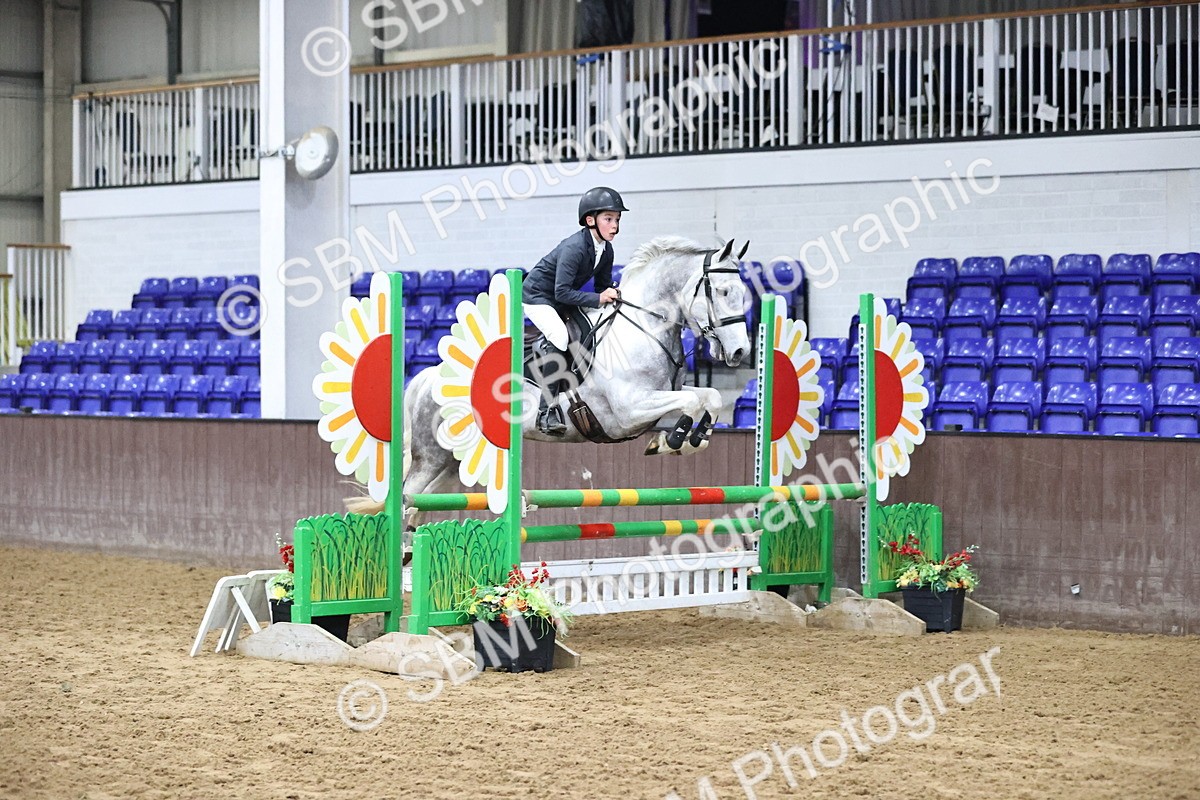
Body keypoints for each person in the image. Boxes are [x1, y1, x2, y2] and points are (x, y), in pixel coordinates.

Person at [522, 186, 628, 436]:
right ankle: (546, 411)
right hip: (538, 296)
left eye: (617, 220)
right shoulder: (574, 248)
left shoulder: (606, 249)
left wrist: (615, 293)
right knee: (559, 337)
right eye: (608, 219)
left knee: (588, 329)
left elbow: (602, 286)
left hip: (562, 297)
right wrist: (600, 296)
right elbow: (562, 292)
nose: (615, 225)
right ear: (590, 220)